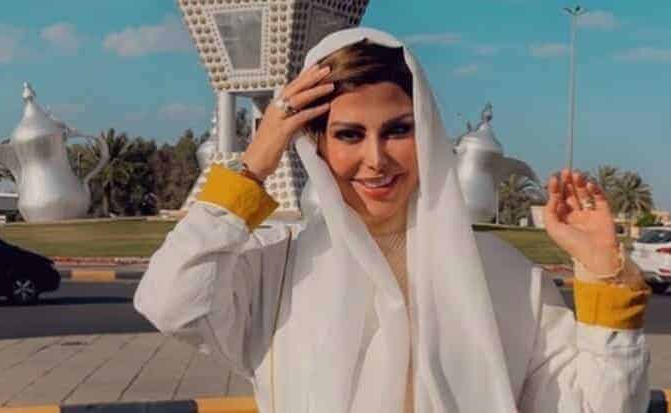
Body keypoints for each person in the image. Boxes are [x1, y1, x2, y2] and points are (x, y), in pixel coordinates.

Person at [134, 28, 651, 413]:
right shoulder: (275, 269)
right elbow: (170, 300)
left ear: (426, 132)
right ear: (316, 145)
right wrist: (255, 162)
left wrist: (605, 276)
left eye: (398, 130)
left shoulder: (504, 276)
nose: (376, 159)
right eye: (349, 135)